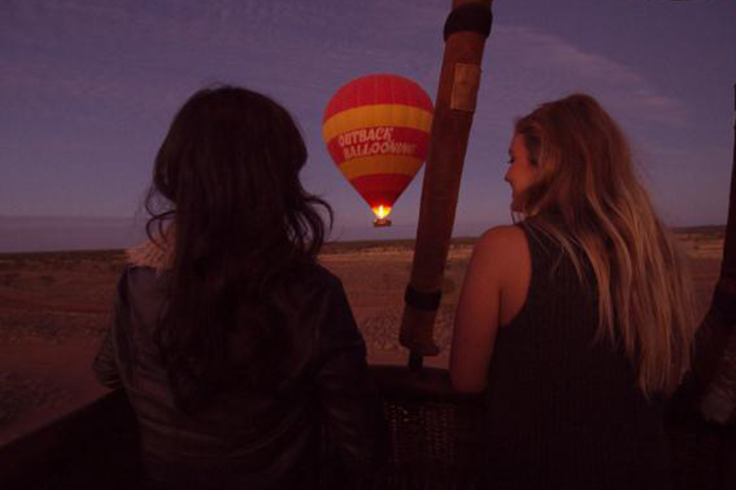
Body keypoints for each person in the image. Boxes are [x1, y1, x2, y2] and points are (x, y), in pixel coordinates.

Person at [93, 86, 386, 490]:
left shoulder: (139, 281)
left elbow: (108, 371)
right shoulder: (313, 294)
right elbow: (360, 438)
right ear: (275, 185)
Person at [450, 94, 697, 489]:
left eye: (512, 159)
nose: (507, 174)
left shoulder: (503, 248)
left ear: (548, 165)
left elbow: (466, 379)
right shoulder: (658, 258)